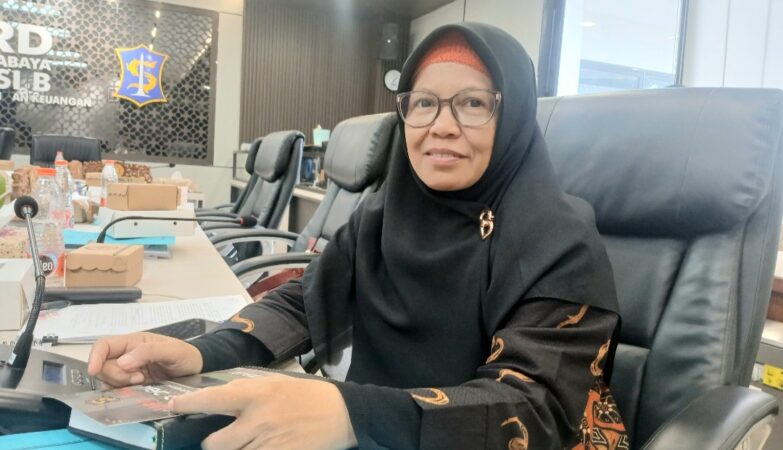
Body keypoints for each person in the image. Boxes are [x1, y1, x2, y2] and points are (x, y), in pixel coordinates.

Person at [88, 23, 628, 449]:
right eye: (423, 102)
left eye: (472, 103)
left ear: (513, 115)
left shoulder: (558, 242)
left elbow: (531, 408)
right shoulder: (384, 213)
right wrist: (202, 351)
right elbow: (307, 301)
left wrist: (352, 412)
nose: (441, 126)